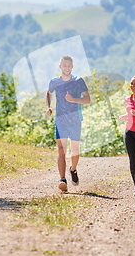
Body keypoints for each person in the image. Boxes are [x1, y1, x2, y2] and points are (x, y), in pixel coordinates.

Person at [46, 56, 91, 192]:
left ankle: (73, 169)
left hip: (75, 121)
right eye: (64, 65)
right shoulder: (54, 82)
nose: (66, 67)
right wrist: (48, 107)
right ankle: (62, 179)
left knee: (75, 150)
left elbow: (87, 99)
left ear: (72, 66)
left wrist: (73, 99)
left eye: (69, 65)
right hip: (60, 121)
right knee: (61, 151)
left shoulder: (78, 81)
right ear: (60, 66)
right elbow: (48, 93)